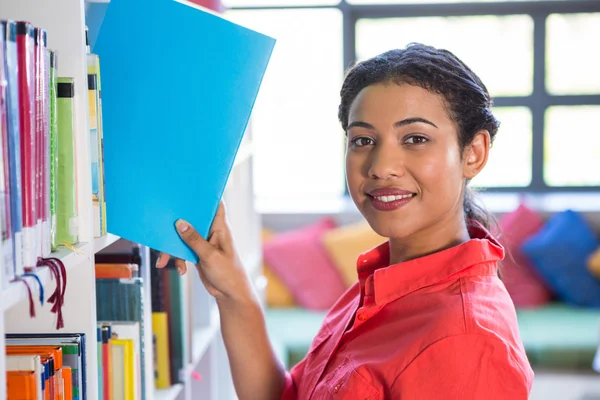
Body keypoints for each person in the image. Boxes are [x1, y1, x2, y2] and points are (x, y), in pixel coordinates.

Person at [157, 43, 533, 400]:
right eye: (363, 141)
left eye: (415, 138)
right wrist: (233, 291)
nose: (381, 167)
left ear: (474, 153)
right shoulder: (375, 288)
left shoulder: (464, 339)